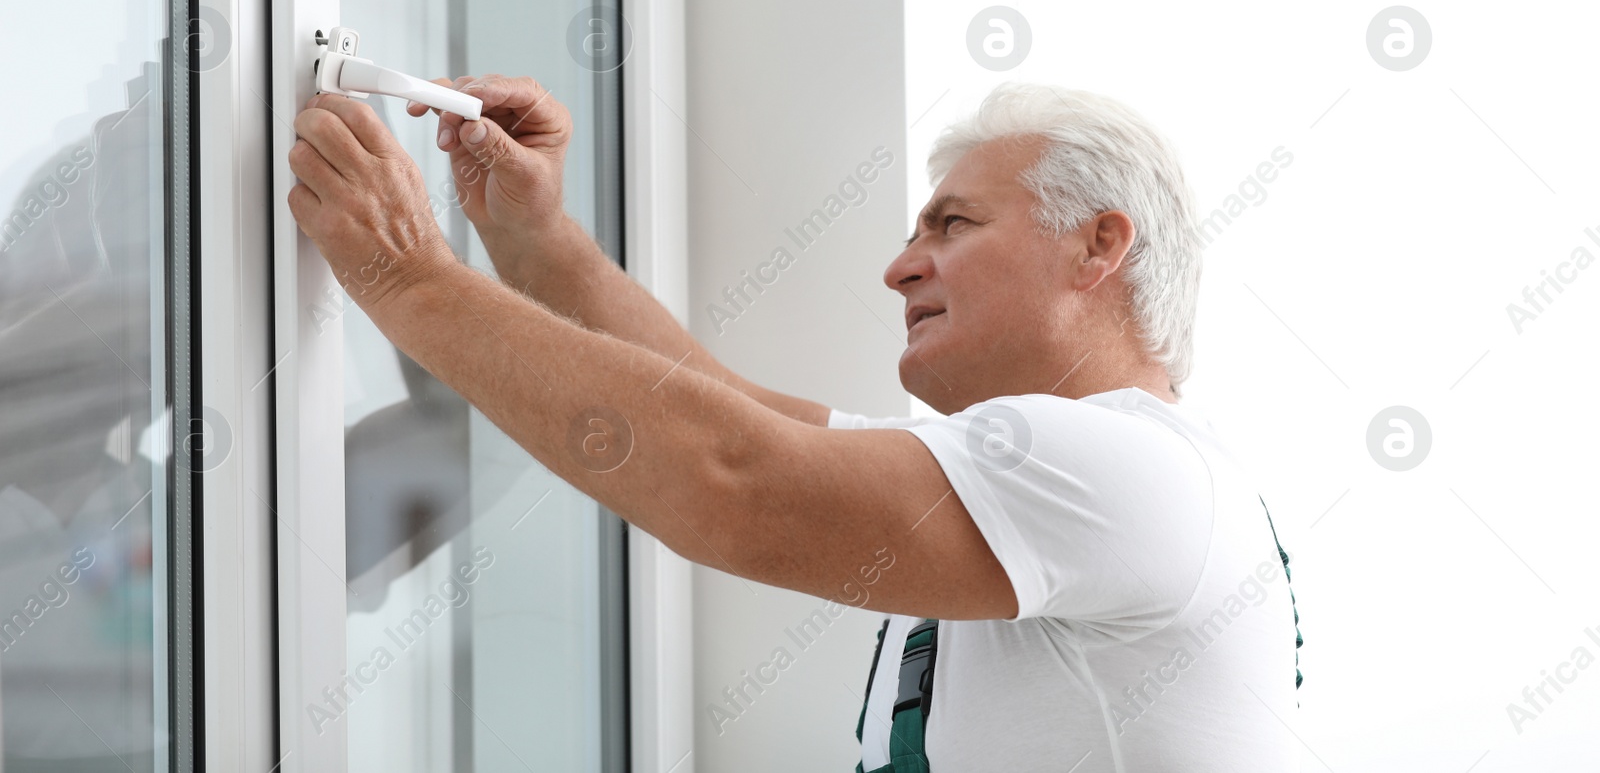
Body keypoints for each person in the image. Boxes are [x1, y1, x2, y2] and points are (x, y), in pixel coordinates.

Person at [287, 78, 1302, 771]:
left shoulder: (1120, 468)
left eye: (952, 224)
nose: (900, 267)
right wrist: (533, 238)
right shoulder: (1076, 478)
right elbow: (716, 409)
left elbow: (735, 476)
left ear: (1097, 246)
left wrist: (405, 273)